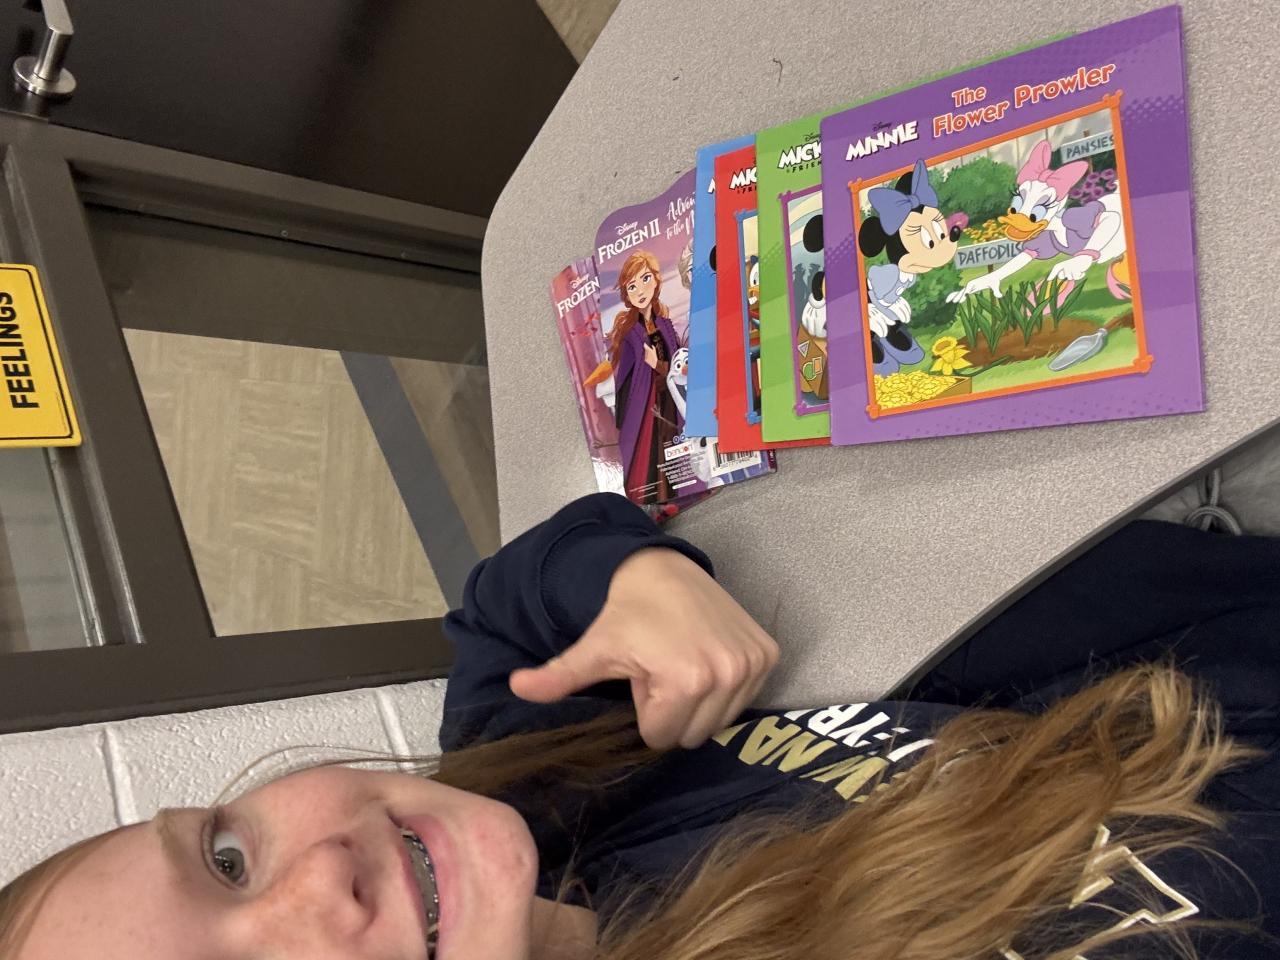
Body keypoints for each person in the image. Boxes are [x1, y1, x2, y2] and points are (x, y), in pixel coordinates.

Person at [2, 492, 1276, 960]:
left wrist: (626, 577)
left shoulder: (534, 796)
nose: (318, 879)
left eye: (226, 858)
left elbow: (502, 604)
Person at [607, 251, 682, 504]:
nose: (640, 290)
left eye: (645, 278)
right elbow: (625, 380)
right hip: (647, 407)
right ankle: (659, 499)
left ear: (656, 280)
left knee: (673, 447)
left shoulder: (665, 323)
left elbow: (676, 364)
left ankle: (678, 494)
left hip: (671, 399)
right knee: (653, 453)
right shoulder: (630, 333)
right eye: (632, 286)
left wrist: (657, 364)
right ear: (626, 294)